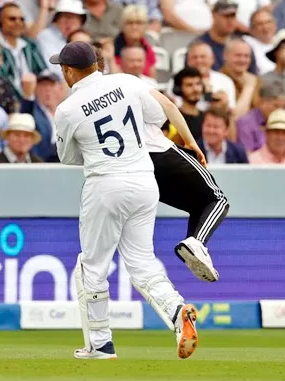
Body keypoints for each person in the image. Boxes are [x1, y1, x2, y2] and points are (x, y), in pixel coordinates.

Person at [50, 41, 199, 360]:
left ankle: (100, 344)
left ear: (68, 70)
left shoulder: (67, 109)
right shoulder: (128, 81)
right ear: (97, 64)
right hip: (145, 181)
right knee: (143, 263)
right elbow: (161, 115)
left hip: (105, 184)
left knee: (91, 266)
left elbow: (67, 156)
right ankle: (176, 312)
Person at [97, 48, 227, 283]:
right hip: (158, 152)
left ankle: (194, 245)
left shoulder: (76, 105)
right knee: (216, 200)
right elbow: (166, 108)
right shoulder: (125, 82)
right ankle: (196, 243)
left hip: (127, 168)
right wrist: (190, 141)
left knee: (197, 208)